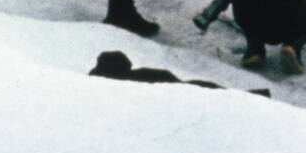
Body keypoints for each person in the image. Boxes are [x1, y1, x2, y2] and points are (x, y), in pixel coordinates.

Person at [88, 51, 271, 97]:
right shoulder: (136, 76)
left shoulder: (130, 80)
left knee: (214, 92)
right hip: (178, 87)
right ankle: (255, 96)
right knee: (215, 92)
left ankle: (255, 96)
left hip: (177, 87)